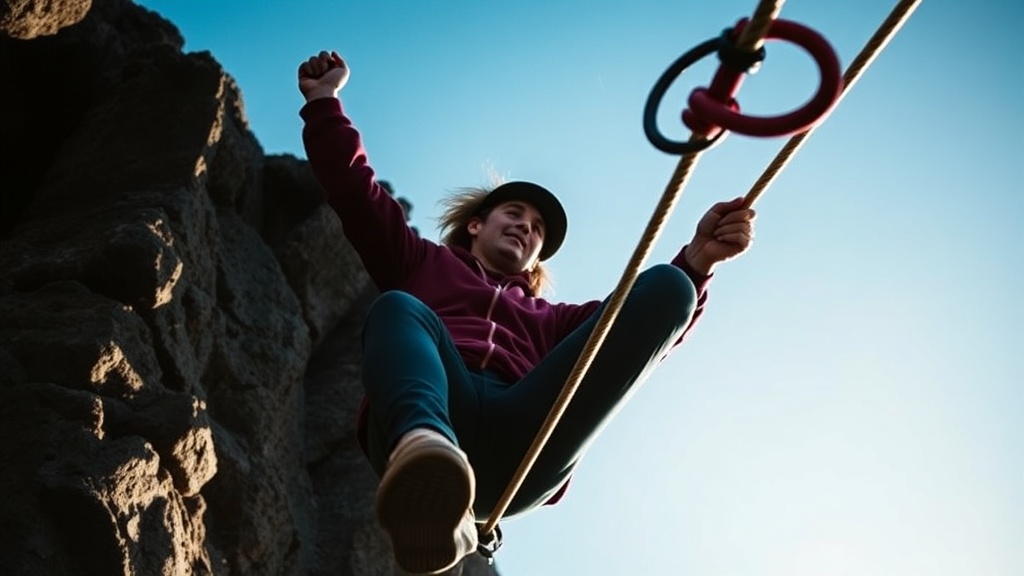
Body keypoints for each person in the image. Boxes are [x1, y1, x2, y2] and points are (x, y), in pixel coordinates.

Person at [297, 50, 756, 575]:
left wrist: (697, 261)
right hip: (431, 414)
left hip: (525, 443)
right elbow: (356, 192)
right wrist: (325, 102)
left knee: (668, 285)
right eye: (514, 213)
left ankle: (450, 488)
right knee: (399, 306)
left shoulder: (555, 322)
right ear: (476, 224)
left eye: (537, 228)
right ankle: (427, 463)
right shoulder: (420, 262)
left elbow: (642, 326)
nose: (525, 227)